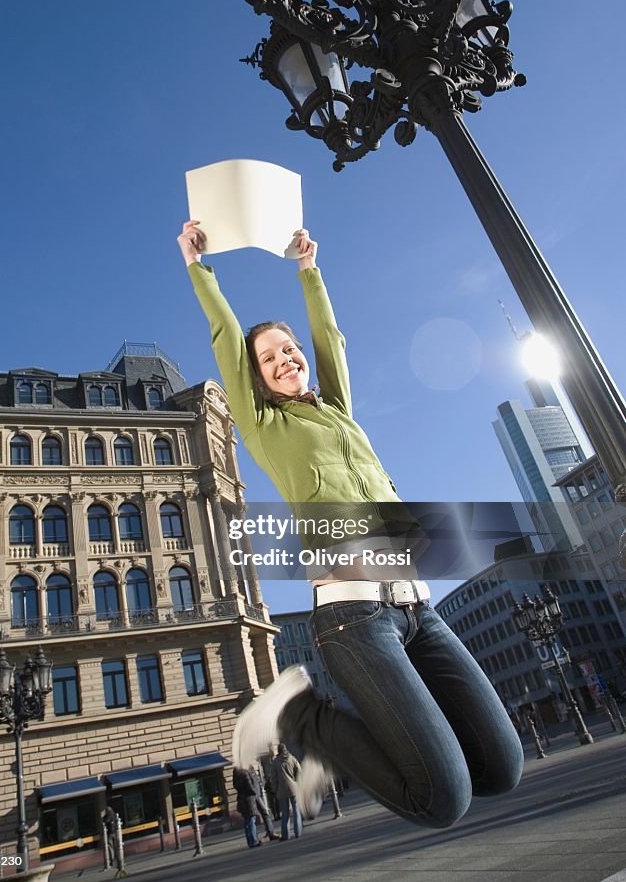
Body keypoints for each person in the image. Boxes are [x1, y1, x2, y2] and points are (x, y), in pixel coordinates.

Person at [178, 220, 524, 830]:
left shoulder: (338, 412)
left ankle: (341, 747)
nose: (285, 359)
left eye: (289, 350)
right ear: (254, 379)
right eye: (268, 357)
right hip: (353, 617)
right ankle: (300, 716)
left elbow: (331, 341)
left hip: (420, 609)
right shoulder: (265, 427)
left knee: (501, 768)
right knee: (441, 802)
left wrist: (309, 271)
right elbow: (228, 340)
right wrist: (200, 270)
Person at [269, 743, 302, 840]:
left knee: (285, 813)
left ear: (278, 751)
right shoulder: (292, 758)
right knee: (296, 811)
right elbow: (299, 772)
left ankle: (286, 835)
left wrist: (275, 790)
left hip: (282, 791)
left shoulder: (275, 762)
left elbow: (273, 779)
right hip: (294, 789)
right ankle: (298, 832)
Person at [232, 766, 262, 848]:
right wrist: (255, 792)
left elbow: (235, 785)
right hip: (249, 799)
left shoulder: (236, 771)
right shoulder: (245, 772)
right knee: (251, 821)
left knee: (247, 821)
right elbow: (250, 786)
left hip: (241, 799)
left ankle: (250, 841)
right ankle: (254, 841)